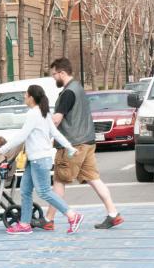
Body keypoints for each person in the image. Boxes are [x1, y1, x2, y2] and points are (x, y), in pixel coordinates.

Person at [40, 57, 124, 230]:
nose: (53, 78)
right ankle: (113, 214)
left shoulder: (68, 93)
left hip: (73, 144)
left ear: (62, 73)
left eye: (54, 75)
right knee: (94, 179)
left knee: (59, 181)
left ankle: (48, 219)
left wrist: (39, 129)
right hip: (87, 142)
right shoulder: (78, 89)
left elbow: (57, 119)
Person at [0, 84, 83, 234]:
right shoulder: (44, 113)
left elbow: (22, 136)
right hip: (34, 159)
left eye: (25, 94)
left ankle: (72, 215)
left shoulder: (34, 114)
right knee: (25, 190)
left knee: (44, 192)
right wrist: (70, 148)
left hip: (39, 159)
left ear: (31, 97)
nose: (24, 96)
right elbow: (55, 133)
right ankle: (24, 224)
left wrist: (1, 151)